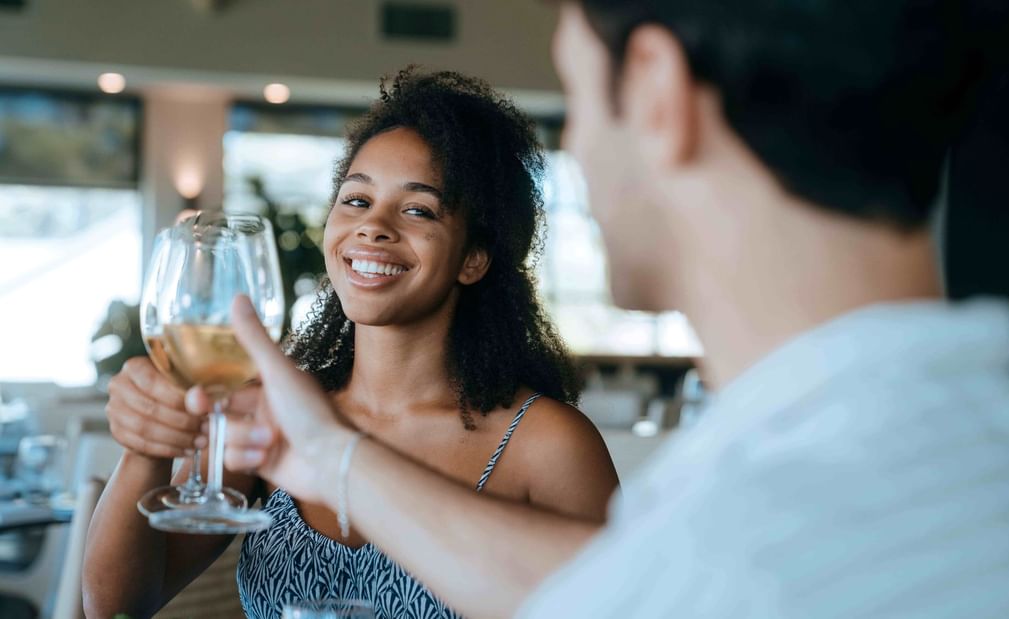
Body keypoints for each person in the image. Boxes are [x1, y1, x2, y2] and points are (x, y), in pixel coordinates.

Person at [206, 0, 1009, 617]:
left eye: (580, 97)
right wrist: (332, 457)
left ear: (658, 90)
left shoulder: (745, 544)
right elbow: (599, 587)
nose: (583, 152)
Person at [82, 68, 619, 619]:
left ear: (473, 258)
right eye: (357, 200)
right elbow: (116, 605)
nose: (373, 227)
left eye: (418, 210)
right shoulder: (278, 416)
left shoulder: (546, 445)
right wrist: (145, 451)